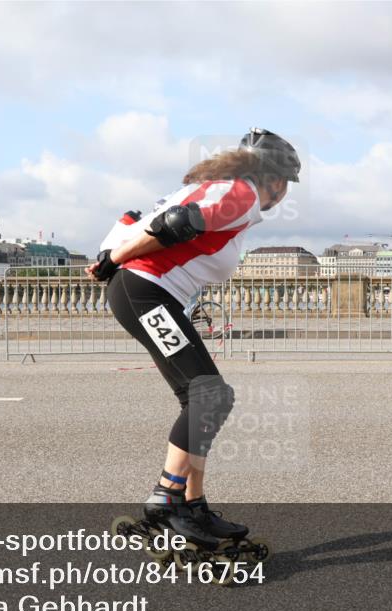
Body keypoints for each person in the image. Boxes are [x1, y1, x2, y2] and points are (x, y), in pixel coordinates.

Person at [87, 128, 301, 547]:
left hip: (148, 292)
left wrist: (112, 256)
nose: (285, 193)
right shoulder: (242, 194)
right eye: (288, 185)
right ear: (275, 180)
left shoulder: (220, 188)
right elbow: (175, 223)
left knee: (204, 397)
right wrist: (113, 259)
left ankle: (192, 503)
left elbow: (138, 219)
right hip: (146, 292)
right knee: (210, 396)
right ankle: (167, 500)